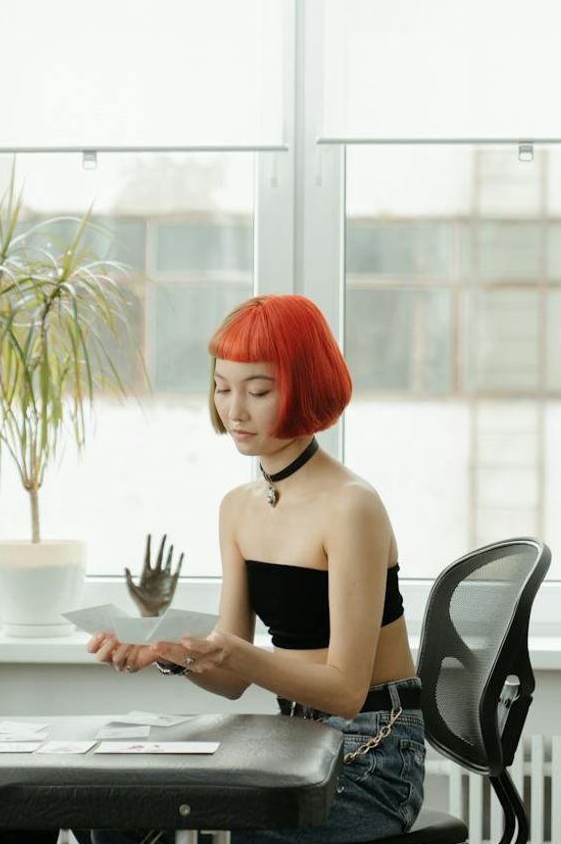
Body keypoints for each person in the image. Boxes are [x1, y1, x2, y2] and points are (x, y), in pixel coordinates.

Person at [87, 295, 426, 844]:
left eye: (259, 391)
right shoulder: (238, 508)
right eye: (222, 388)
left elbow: (345, 690)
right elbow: (231, 680)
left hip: (373, 754)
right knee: (109, 815)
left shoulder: (352, 506)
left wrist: (232, 651)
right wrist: (167, 651)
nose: (235, 410)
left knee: (233, 836)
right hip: (292, 743)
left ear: (305, 389)